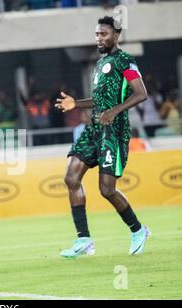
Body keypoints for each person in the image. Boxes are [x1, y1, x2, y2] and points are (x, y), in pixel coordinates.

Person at [55, 16, 150, 258]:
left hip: (114, 130)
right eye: (97, 34)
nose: (99, 38)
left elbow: (141, 94)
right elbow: (98, 101)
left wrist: (113, 111)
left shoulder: (125, 61)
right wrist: (75, 103)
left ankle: (138, 230)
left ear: (116, 36)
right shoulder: (100, 63)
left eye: (104, 34)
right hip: (94, 127)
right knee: (70, 176)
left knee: (107, 190)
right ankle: (84, 240)